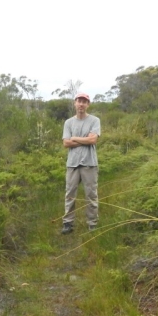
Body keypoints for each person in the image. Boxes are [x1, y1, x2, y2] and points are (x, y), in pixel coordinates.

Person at [61, 92, 101, 234]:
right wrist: (84, 139)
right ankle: (68, 223)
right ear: (75, 103)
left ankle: (92, 223)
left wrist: (75, 138)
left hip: (90, 163)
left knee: (91, 194)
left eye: (84, 101)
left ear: (88, 104)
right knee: (70, 193)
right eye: (79, 101)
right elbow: (66, 143)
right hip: (72, 164)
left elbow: (92, 140)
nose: (81, 104)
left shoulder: (95, 120)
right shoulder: (68, 122)